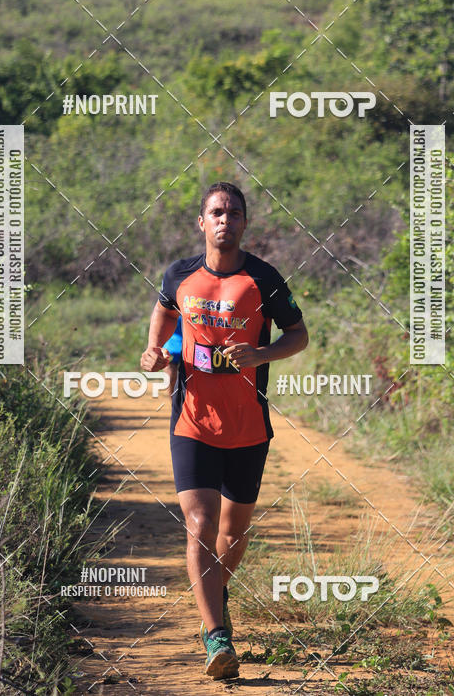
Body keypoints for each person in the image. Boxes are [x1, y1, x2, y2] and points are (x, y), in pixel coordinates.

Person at [140, 182, 308, 679]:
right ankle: (216, 637)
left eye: (234, 213)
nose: (224, 220)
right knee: (199, 526)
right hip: (191, 420)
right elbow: (164, 309)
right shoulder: (180, 275)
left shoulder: (264, 279)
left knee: (233, 534)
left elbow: (298, 335)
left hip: (248, 426)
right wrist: (154, 350)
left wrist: (262, 354)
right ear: (201, 222)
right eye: (216, 212)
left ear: (244, 223)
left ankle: (216, 589)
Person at [162, 314, 182, 394]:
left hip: (191, 344)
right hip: (171, 344)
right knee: (171, 376)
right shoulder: (168, 303)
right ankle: (174, 404)